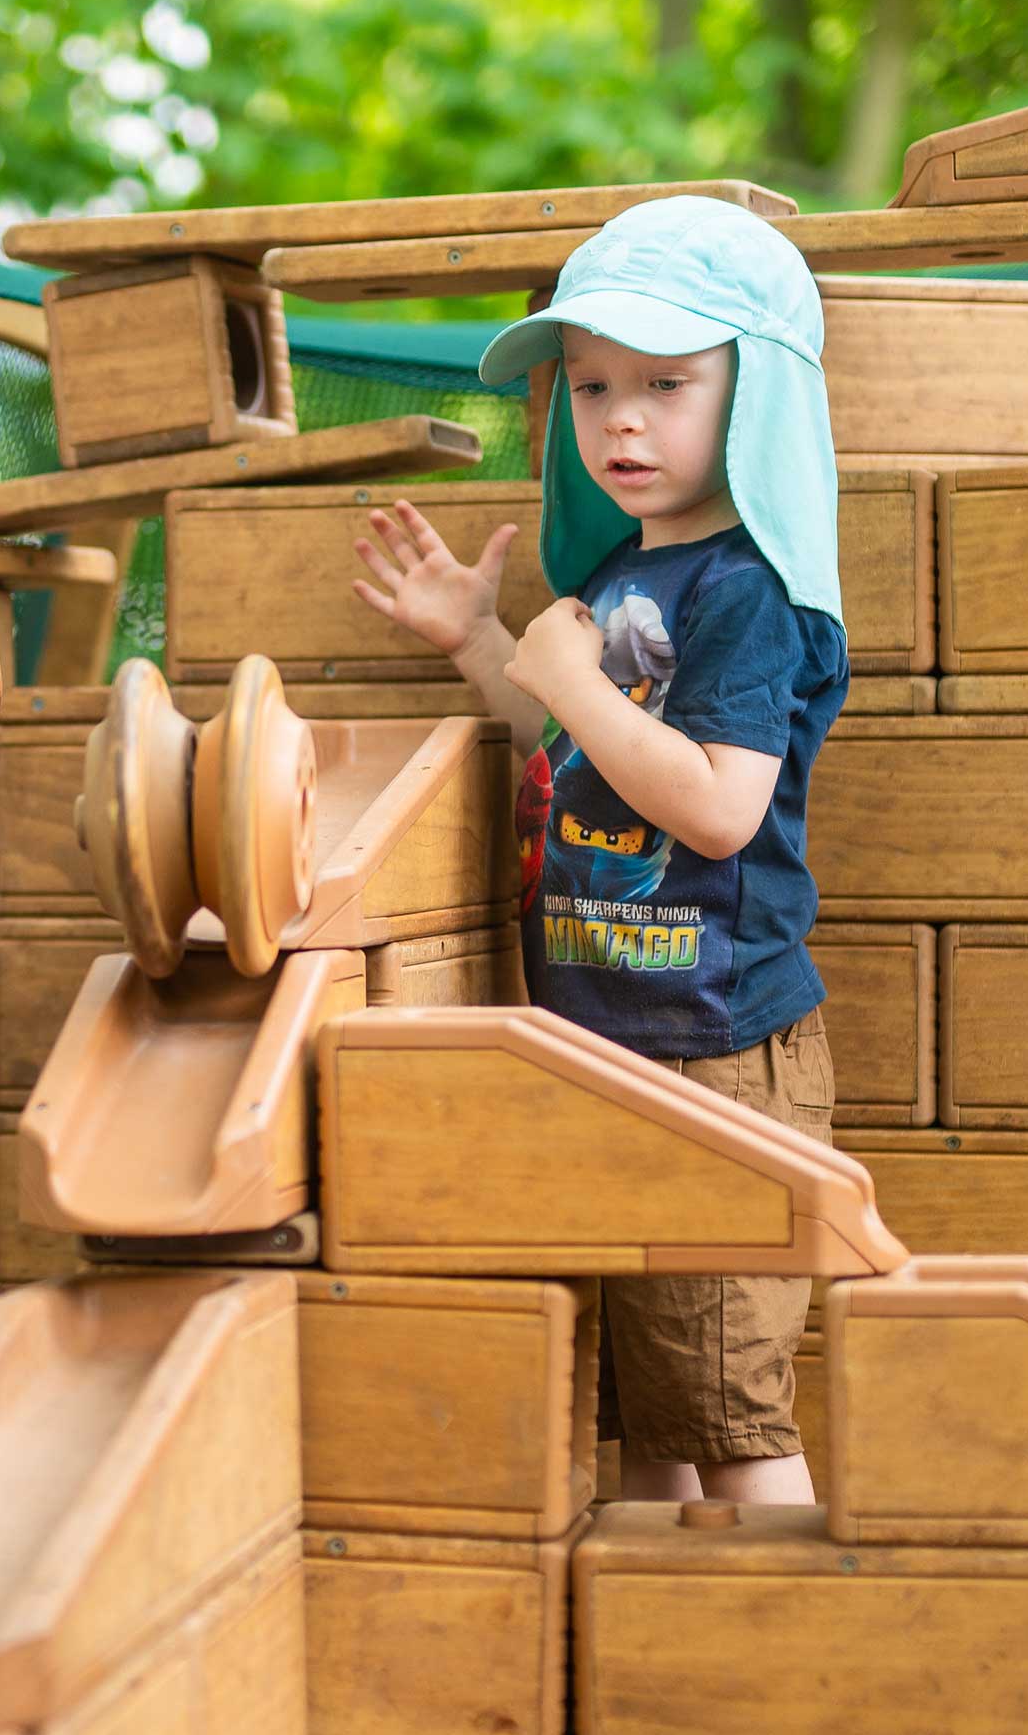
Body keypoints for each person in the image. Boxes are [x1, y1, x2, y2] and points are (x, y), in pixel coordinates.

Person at [350, 195, 847, 1510]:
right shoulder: (627, 574)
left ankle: (790, 1671)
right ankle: (669, 1677)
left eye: (667, 383)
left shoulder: (747, 589)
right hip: (606, 1038)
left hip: (713, 1046)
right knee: (649, 1420)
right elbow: (565, 746)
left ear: (754, 400)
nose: (623, 418)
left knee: (730, 1409)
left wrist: (568, 677)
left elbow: (721, 807)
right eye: (592, 386)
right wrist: (479, 639)